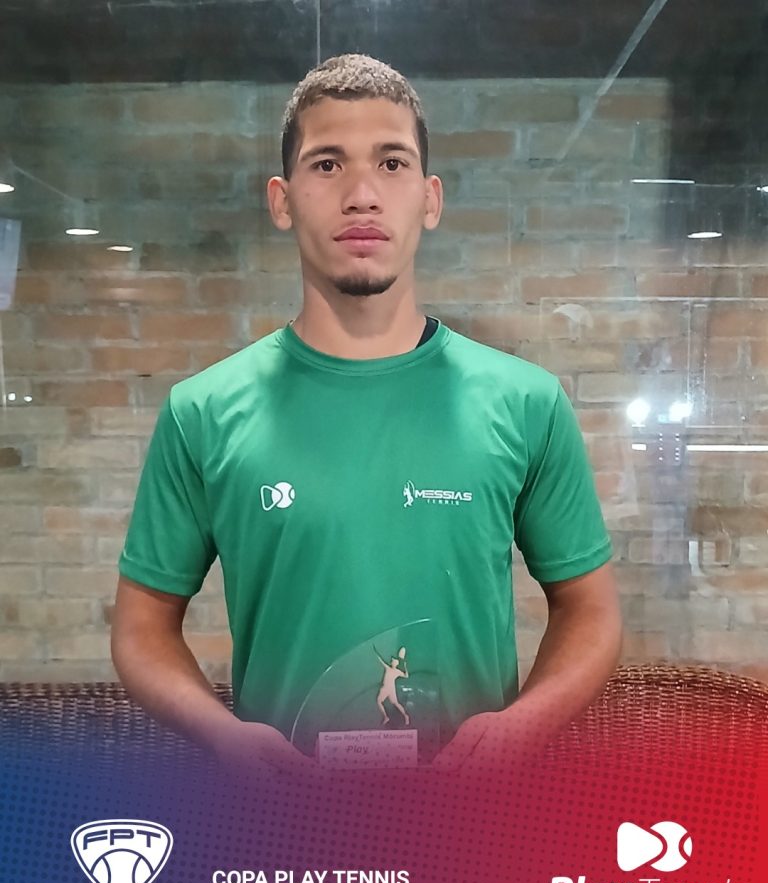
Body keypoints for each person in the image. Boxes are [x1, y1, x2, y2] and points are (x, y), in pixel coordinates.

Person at [111, 53, 623, 777]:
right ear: (282, 200)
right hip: (288, 818)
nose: (361, 195)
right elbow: (141, 629)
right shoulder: (202, 413)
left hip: (470, 818)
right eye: (327, 165)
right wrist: (225, 738)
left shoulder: (527, 403)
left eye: (391, 163)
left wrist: (523, 728)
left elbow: (591, 611)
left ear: (430, 199)